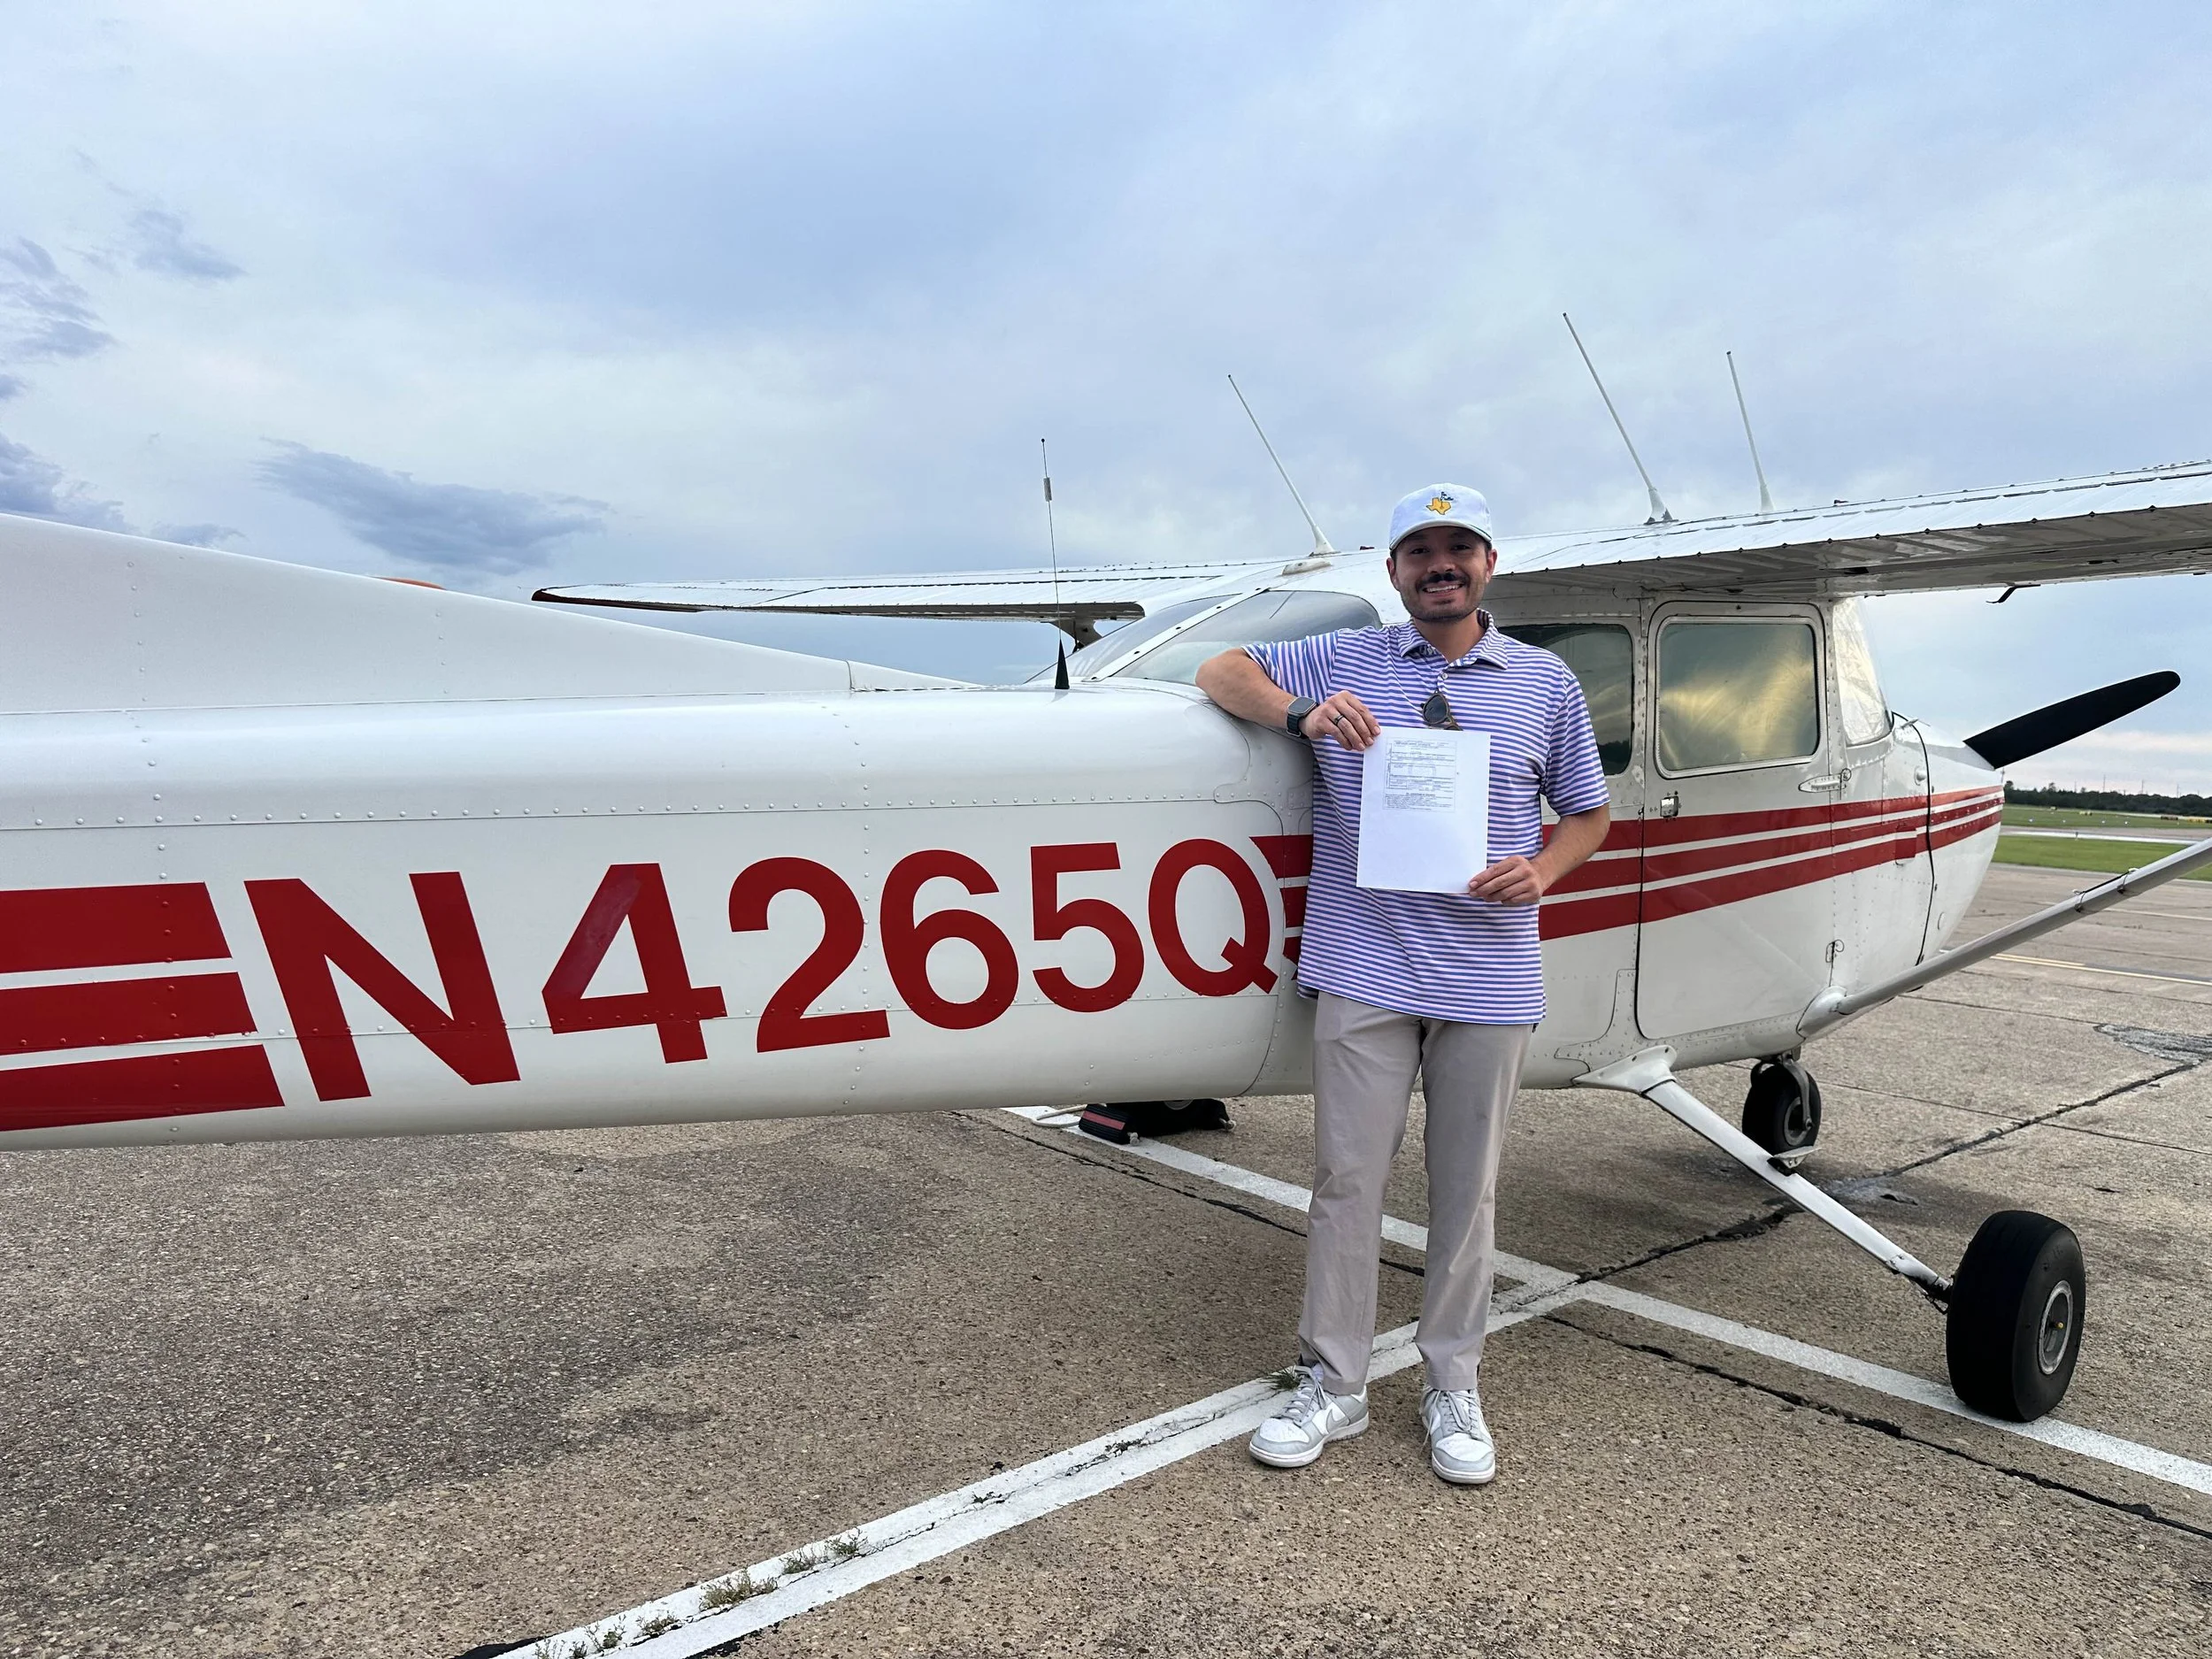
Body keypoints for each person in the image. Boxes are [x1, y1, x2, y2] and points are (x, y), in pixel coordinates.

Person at [1193, 482, 1610, 1486]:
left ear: (1488, 565)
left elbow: (1588, 814)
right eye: (1419, 552)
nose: (1440, 566)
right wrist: (1299, 713)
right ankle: (1333, 1385)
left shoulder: (1545, 682)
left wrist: (1542, 871)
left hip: (1489, 971)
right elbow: (1220, 667)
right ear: (1392, 572)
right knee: (1346, 1182)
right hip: (1364, 965)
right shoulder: (1347, 657)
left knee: (1467, 1194)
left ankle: (1451, 1381)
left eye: (1458, 549)